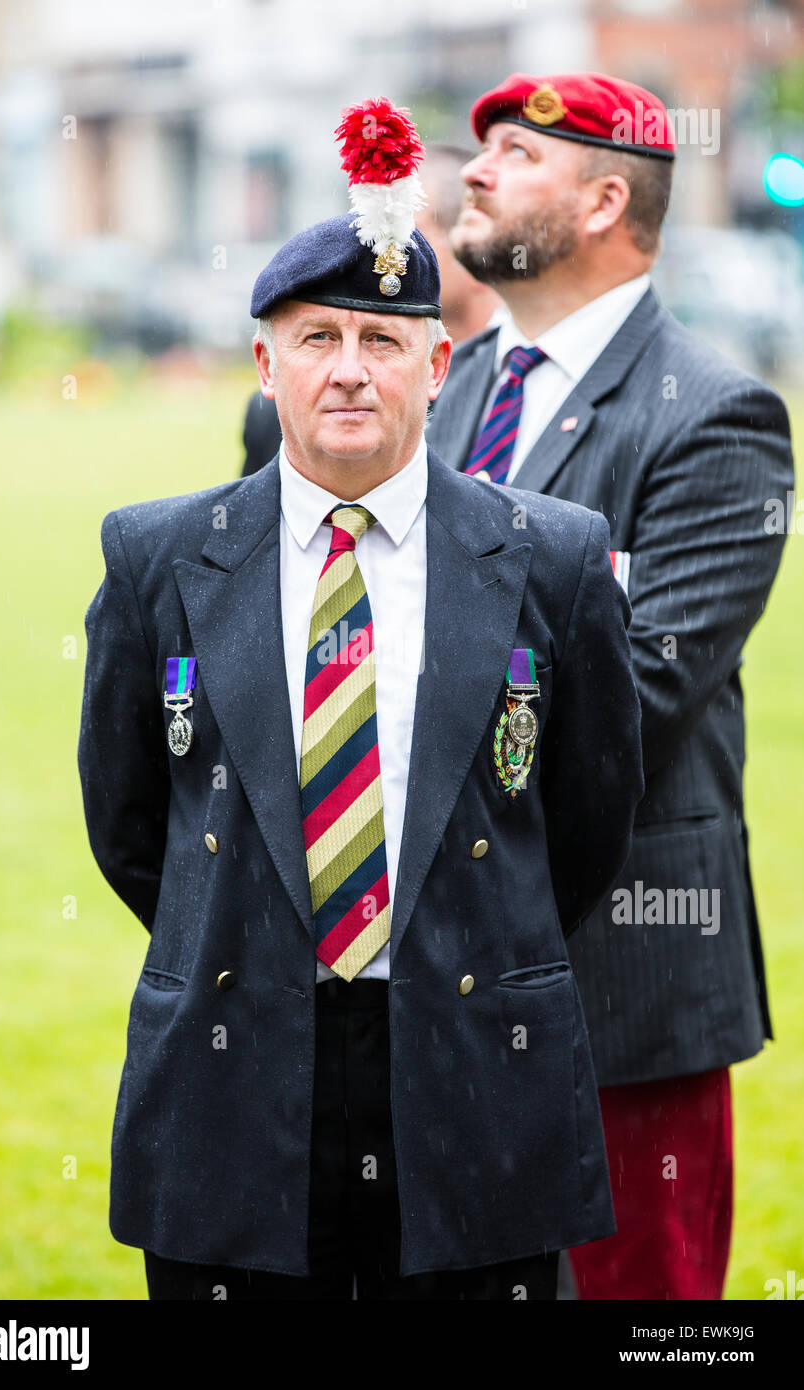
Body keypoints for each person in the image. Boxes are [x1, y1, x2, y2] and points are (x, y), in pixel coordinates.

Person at [77, 97, 645, 1300]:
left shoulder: (548, 553)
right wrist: (255, 928)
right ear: (263, 359)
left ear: (437, 365)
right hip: (234, 1065)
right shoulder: (159, 557)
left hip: (473, 1053)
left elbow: (586, 823)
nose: (347, 369)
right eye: (317, 336)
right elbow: (133, 824)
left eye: (383, 341)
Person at [431, 69, 795, 1300]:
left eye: (512, 154)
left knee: (642, 1304)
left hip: (623, 974)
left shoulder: (713, 416)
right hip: (442, 963)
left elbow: (636, 697)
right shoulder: (452, 387)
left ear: (599, 201)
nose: (472, 171)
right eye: (476, 150)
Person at [240, 143, 503, 478]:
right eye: (319, 336)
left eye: (403, 228)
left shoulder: (517, 388)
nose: (376, 243)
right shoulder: (279, 413)